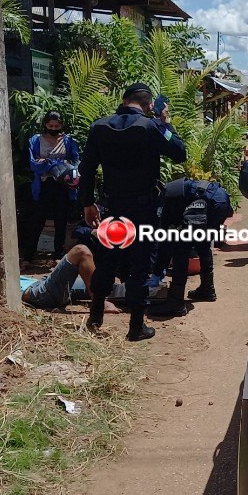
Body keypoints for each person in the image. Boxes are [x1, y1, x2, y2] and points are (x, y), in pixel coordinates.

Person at [79, 83, 186, 341]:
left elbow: (87, 169)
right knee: (141, 265)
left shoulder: (99, 127)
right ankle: (136, 326)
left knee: (107, 260)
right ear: (149, 105)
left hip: (112, 206)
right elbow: (180, 153)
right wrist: (166, 122)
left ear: (124, 100)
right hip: (143, 208)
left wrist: (87, 202)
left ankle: (95, 316)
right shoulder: (152, 126)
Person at [152, 178, 234, 316]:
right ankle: (207, 289)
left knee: (181, 249)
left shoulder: (165, 202)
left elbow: (165, 242)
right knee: (203, 243)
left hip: (209, 203)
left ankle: (176, 303)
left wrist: (157, 272)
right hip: (221, 200)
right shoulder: (172, 190)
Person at [22, 111, 81, 262]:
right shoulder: (36, 140)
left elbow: (75, 162)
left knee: (61, 221)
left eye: (57, 126)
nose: (53, 128)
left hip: (62, 186)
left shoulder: (69, 141)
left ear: (61, 125)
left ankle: (58, 255)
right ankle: (29, 256)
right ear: (45, 125)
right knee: (38, 220)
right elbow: (34, 163)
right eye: (50, 125)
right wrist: (58, 164)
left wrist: (48, 162)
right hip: (43, 185)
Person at [22, 244, 119, 313]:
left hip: (38, 283)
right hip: (37, 293)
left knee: (107, 285)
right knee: (81, 251)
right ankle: (99, 304)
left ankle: (131, 295)